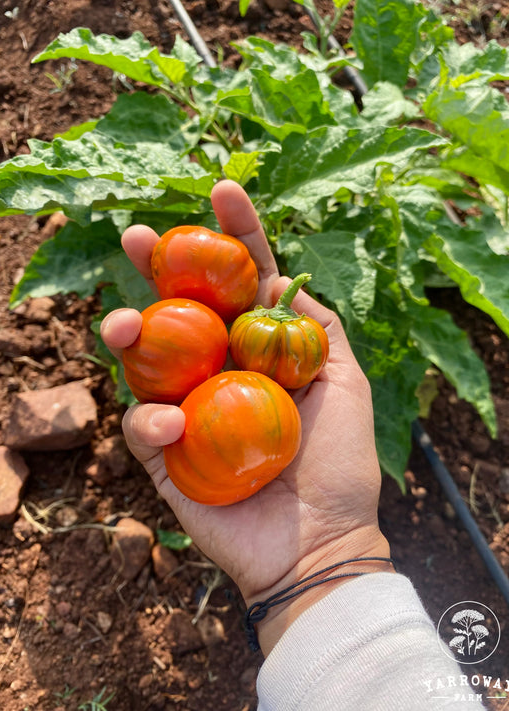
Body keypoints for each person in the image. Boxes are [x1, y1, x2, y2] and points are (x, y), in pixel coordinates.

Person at [100, 180, 487, 710]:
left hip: (245, 418)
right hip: (249, 415)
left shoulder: (263, 358)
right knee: (141, 348)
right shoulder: (247, 361)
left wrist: (318, 559)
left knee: (145, 346)